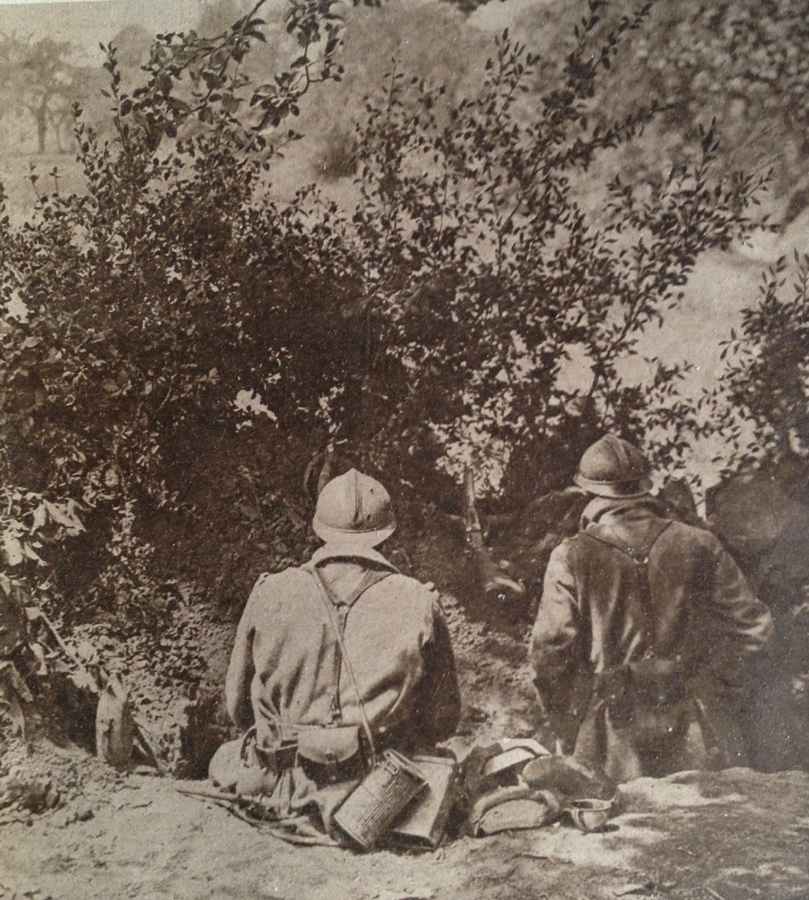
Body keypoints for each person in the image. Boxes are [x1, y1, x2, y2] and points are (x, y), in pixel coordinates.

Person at [209, 468, 461, 836]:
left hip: (280, 787)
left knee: (224, 760)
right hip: (378, 796)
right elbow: (442, 719)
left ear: (319, 529)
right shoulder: (418, 600)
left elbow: (237, 708)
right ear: (386, 535)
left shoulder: (270, 591)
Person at [530, 434, 774, 782]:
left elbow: (549, 655)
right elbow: (754, 630)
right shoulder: (699, 543)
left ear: (590, 494)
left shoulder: (570, 555)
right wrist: (720, 689)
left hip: (611, 734)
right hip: (698, 726)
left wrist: (567, 722)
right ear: (645, 489)